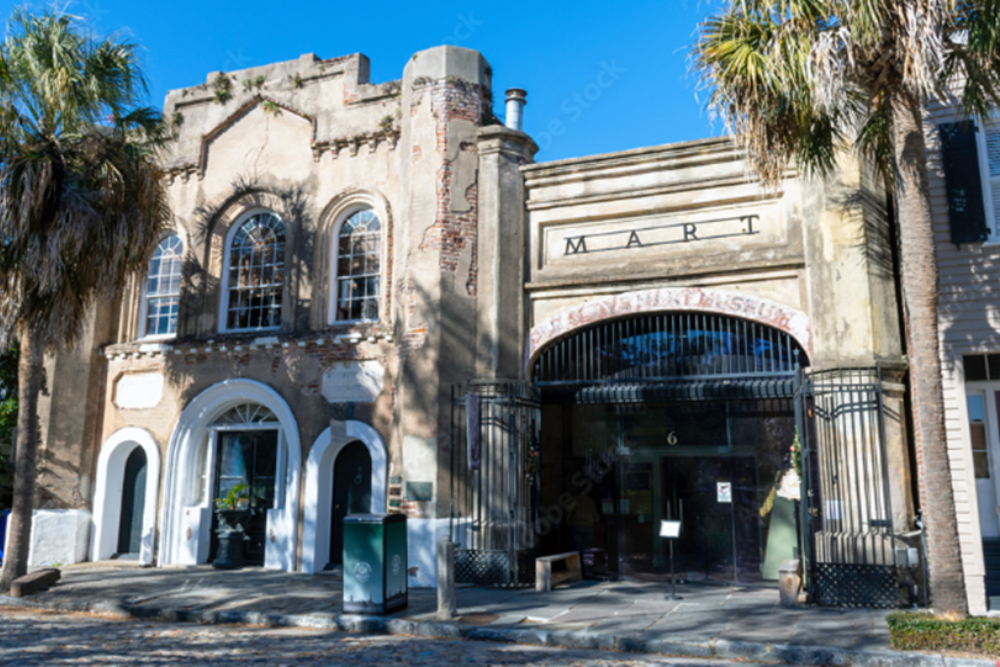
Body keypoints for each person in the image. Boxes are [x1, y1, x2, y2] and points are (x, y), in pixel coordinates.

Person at [568, 491, 597, 576]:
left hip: (577, 525)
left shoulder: (574, 500)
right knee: (586, 550)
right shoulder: (590, 501)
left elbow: (568, 513)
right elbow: (595, 515)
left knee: (576, 550)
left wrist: (568, 523)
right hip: (588, 526)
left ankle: (576, 571)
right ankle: (587, 571)